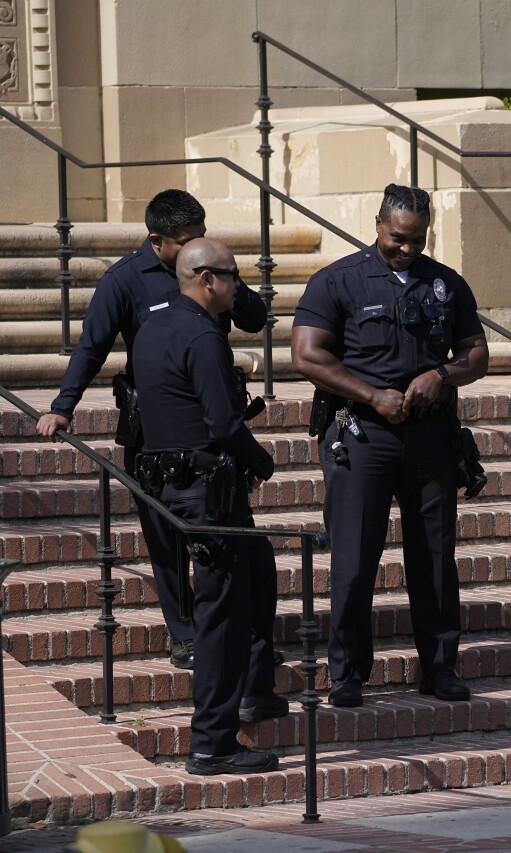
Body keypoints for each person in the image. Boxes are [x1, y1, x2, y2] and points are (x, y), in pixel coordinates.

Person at [35, 190, 267, 671]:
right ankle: (185, 634)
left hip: (209, 425)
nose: (193, 247)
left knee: (228, 536)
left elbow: (253, 319)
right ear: (156, 239)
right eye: (185, 241)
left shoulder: (209, 270)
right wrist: (62, 407)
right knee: (165, 539)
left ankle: (234, 635)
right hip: (154, 430)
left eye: (200, 237)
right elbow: (91, 348)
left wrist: (229, 282)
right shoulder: (124, 281)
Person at [291, 183, 489, 708]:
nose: (408, 248)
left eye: (417, 240)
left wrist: (440, 375)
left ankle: (440, 667)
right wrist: (372, 395)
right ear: (378, 223)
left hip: (429, 435)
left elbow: (476, 354)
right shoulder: (337, 281)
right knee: (354, 557)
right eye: (399, 238)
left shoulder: (445, 284)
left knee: (435, 556)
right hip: (361, 434)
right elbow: (307, 355)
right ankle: (348, 672)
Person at [131, 238, 284, 775]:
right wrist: (262, 461)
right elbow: (222, 423)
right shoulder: (201, 334)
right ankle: (212, 742)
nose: (240, 285)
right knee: (221, 617)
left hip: (172, 485)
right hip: (206, 494)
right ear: (207, 279)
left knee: (259, 575)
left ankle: (254, 691)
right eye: (234, 276)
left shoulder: (154, 323)